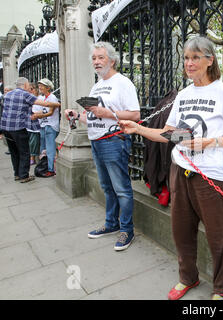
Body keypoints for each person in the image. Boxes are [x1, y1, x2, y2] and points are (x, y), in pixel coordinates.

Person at [119, 35, 223, 300]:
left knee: (217, 235)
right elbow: (168, 134)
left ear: (210, 60)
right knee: (181, 231)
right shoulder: (184, 94)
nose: (189, 63)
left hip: (209, 174)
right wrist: (138, 128)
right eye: (186, 58)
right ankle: (188, 277)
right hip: (180, 169)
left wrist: (211, 142)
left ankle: (222, 288)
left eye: (195, 57)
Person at [64, 41, 140, 251]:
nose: (96, 62)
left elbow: (135, 114)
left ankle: (127, 230)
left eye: (101, 58)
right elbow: (93, 117)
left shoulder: (123, 83)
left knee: (121, 189)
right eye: (94, 58)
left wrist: (109, 114)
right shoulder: (96, 85)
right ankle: (111, 224)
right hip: (96, 140)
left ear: (112, 60)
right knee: (107, 187)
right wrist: (77, 115)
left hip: (114, 140)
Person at [0, 77, 60, 182]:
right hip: (18, 127)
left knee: (14, 152)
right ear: (25, 85)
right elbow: (45, 104)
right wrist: (58, 104)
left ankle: (17, 174)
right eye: (28, 85)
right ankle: (24, 176)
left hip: (6, 128)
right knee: (24, 152)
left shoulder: (8, 94)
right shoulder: (25, 94)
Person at [31, 78, 60, 177]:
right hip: (43, 125)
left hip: (50, 125)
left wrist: (38, 116)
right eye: (39, 86)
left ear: (48, 87)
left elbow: (50, 113)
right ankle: (46, 166)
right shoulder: (44, 98)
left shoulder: (52, 98)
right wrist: (37, 115)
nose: (40, 88)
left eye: (42, 86)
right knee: (44, 149)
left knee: (50, 149)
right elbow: (43, 111)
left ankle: (51, 169)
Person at [26, 82, 41, 165]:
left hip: (36, 124)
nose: (30, 91)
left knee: (34, 142)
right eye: (29, 89)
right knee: (30, 142)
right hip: (28, 123)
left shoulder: (39, 99)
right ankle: (31, 157)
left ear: (36, 90)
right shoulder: (28, 98)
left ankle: (33, 157)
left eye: (31, 89)